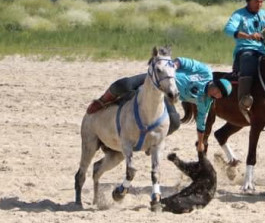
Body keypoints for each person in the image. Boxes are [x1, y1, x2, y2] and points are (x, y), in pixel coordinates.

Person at [86, 57, 233, 152]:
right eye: (218, 93)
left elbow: (201, 122)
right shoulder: (205, 72)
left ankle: (152, 142)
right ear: (215, 85)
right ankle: (102, 101)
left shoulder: (205, 101)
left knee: (174, 123)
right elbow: (183, 62)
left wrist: (201, 143)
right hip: (160, 81)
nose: (217, 97)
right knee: (125, 84)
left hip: (165, 98)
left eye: (220, 96)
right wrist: (171, 69)